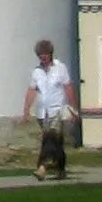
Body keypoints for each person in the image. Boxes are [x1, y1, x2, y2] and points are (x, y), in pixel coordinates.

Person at [23, 39, 75, 180]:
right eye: (40, 56)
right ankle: (61, 168)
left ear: (50, 54)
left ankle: (42, 167)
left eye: (45, 55)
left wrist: (72, 107)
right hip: (42, 112)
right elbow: (32, 90)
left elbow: (68, 86)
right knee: (56, 142)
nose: (43, 58)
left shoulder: (60, 68)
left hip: (57, 109)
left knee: (49, 138)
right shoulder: (36, 72)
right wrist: (26, 109)